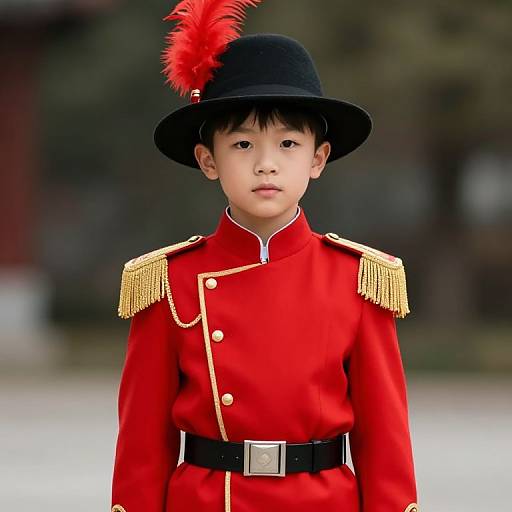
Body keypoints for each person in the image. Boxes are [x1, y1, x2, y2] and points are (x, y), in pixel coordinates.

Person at [110, 1, 419, 512]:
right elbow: (142, 446)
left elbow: (385, 441)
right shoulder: (168, 280)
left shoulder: (358, 278)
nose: (266, 163)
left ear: (318, 159)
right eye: (243, 144)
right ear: (208, 160)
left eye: (289, 143)